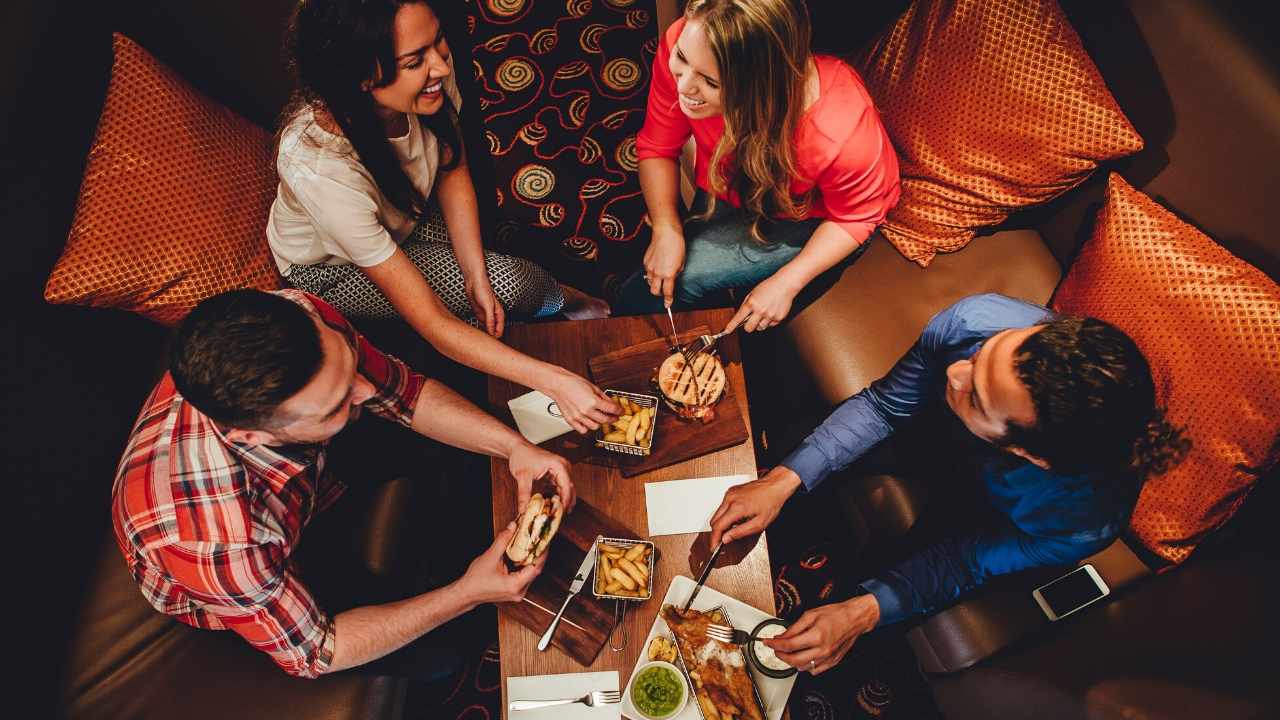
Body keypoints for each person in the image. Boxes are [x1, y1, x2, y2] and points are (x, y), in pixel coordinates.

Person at [706, 294, 1188, 674]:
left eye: (976, 395)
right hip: (938, 432)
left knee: (879, 582)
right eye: (989, 353)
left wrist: (862, 612)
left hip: (986, 512)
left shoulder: (1078, 523)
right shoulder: (977, 320)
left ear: (1028, 453)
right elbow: (884, 406)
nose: (957, 370)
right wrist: (785, 479)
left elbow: (966, 561)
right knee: (790, 454)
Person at [112, 288, 576, 679]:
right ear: (251, 435)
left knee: (449, 460)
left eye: (349, 362)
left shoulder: (297, 313)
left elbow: (401, 393)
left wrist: (514, 448)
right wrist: (466, 594)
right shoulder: (213, 540)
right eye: (337, 402)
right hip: (244, 583)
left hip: (307, 481)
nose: (367, 390)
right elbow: (315, 651)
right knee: (444, 657)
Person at [269, 0, 617, 433]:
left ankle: (536, 315)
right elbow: (432, 321)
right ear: (360, 75)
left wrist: (473, 274)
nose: (440, 64)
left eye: (438, 42)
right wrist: (556, 382)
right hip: (331, 269)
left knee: (489, 289)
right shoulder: (322, 170)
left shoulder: (428, 83)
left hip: (406, 213)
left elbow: (450, 165)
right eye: (416, 60)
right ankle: (564, 300)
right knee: (517, 285)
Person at [614, 0, 900, 333]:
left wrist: (787, 282)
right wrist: (665, 226)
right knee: (666, 273)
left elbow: (857, 216)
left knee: (678, 281)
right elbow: (657, 145)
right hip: (731, 182)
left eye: (710, 82)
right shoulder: (691, 43)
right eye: (681, 59)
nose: (683, 86)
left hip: (808, 216)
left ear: (762, 88)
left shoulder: (842, 134)